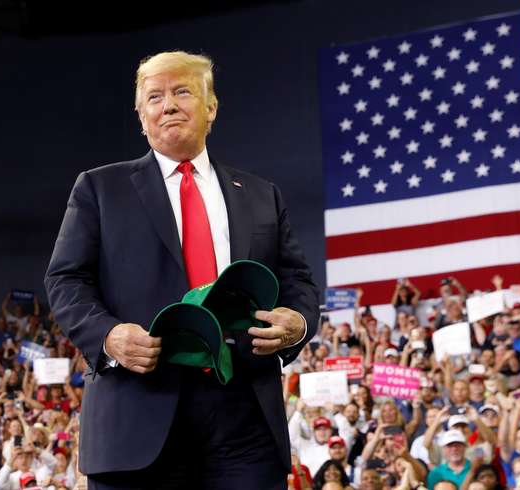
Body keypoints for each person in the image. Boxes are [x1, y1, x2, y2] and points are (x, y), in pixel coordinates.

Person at [45, 50, 319, 489]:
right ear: (141, 117)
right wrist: (109, 336)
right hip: (138, 410)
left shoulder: (261, 194)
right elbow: (65, 279)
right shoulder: (100, 188)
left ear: (211, 107)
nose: (168, 104)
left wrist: (299, 322)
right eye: (154, 97)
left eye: (182, 91)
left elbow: (297, 281)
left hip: (244, 414)